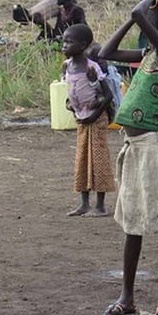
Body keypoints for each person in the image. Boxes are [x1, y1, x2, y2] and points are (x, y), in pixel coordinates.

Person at [98, 0, 158, 315]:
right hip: (137, 148)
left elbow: (139, 12)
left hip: (156, 146)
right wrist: (130, 19)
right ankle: (127, 297)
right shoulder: (150, 52)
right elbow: (105, 53)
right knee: (133, 223)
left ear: (154, 27)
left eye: (146, 25)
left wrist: (146, 3)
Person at [61, 24, 115, 218]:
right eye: (64, 41)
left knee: (98, 159)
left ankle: (100, 206)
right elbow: (70, 89)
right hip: (82, 119)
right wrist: (71, 107)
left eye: (69, 41)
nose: (64, 45)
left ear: (83, 44)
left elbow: (107, 95)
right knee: (82, 160)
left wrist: (93, 114)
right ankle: (84, 204)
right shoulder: (67, 66)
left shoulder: (92, 67)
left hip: (96, 118)